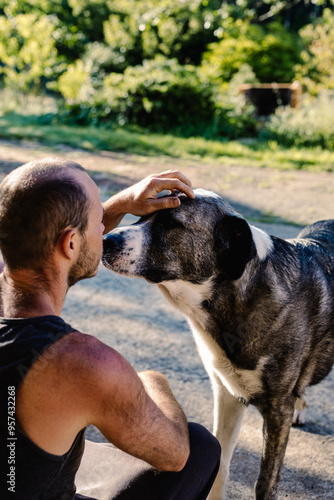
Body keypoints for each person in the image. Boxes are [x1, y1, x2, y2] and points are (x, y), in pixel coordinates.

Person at [0, 158, 221, 500]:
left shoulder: (12, 268)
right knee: (199, 447)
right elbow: (174, 454)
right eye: (98, 222)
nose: (105, 228)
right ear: (71, 244)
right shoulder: (81, 362)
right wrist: (151, 382)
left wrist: (119, 203)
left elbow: (40, 238)